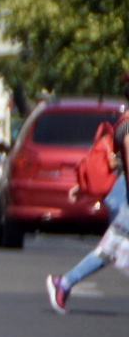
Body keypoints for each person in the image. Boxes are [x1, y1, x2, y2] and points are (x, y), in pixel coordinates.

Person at [47, 73, 129, 312]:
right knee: (109, 251)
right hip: (123, 199)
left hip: (120, 195)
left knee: (111, 251)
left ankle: (64, 282)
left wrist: (81, 188)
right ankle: (64, 282)